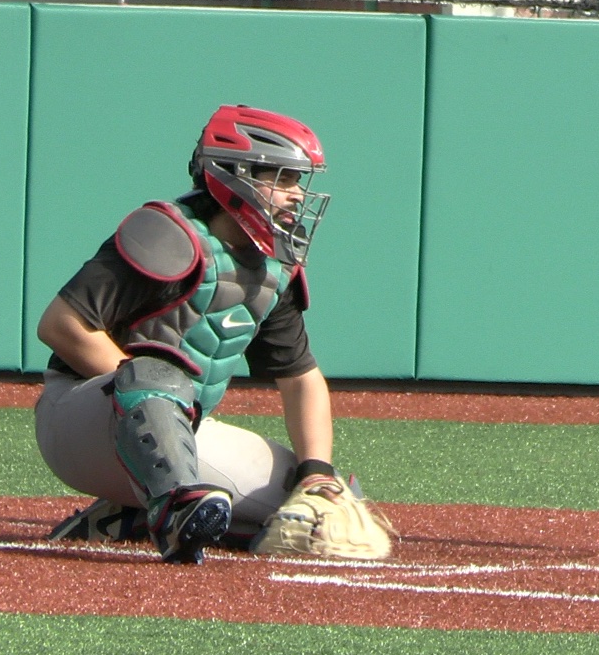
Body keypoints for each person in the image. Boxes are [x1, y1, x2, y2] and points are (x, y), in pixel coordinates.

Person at [34, 105, 384, 564]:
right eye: (282, 178)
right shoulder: (167, 235)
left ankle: (128, 518)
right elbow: (60, 326)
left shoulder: (271, 268)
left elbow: (301, 379)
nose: (296, 196)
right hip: (80, 421)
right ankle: (172, 508)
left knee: (307, 509)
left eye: (298, 181)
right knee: (155, 375)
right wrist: (152, 401)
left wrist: (317, 473)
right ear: (234, 176)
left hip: (175, 432)